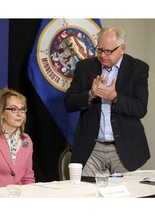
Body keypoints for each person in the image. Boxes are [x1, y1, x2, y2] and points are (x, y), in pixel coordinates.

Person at [64, 26, 150, 177]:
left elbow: (140, 108)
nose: (102, 55)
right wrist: (90, 94)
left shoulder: (138, 68)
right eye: (99, 50)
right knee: (85, 194)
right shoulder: (84, 68)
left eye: (108, 51)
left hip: (124, 148)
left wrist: (115, 97)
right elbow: (69, 103)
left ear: (122, 48)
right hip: (91, 149)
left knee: (129, 196)